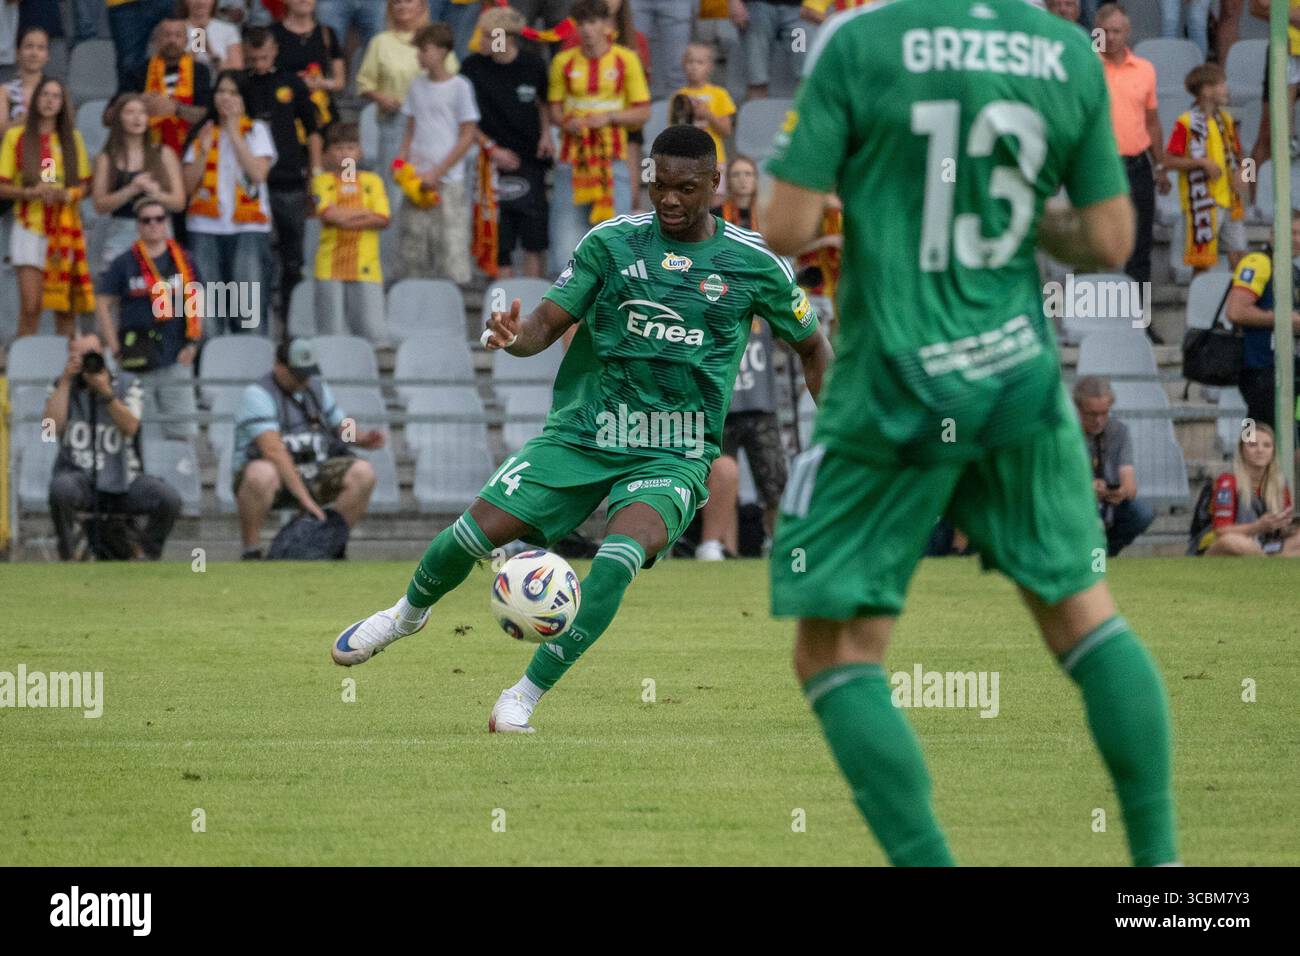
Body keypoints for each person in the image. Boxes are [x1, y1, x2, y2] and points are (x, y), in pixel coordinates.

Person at [761, 0, 1176, 866]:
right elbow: (1108, 237)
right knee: (1083, 616)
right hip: (1018, 378)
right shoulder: (1063, 50)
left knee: (836, 652)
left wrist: (863, 197)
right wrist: (1019, 218)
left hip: (897, 387)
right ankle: (1162, 879)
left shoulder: (859, 40)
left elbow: (784, 232)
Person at [329, 125, 834, 737]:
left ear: (714, 185)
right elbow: (543, 323)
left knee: (617, 561)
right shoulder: (612, 244)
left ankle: (522, 696)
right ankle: (407, 614)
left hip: (674, 451)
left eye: (685, 188)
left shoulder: (753, 263)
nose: (669, 199)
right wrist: (514, 341)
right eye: (659, 184)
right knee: (470, 535)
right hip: (583, 433)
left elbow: (812, 346)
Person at [233, 338, 385, 560]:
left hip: (313, 468)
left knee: (363, 472)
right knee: (261, 474)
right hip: (275, 476)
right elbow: (273, 451)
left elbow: (340, 423)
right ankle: (252, 551)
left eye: (307, 372)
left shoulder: (316, 388)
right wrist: (306, 501)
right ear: (279, 366)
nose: (303, 379)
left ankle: (328, 544)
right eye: (297, 373)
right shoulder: (257, 395)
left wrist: (362, 438)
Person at [45, 331, 181, 561]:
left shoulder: (127, 383)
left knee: (168, 499)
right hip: (80, 476)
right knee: (60, 489)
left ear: (104, 353)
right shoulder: (61, 386)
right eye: (79, 355)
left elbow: (131, 427)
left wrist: (106, 392)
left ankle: (144, 555)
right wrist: (66, 382)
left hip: (124, 479)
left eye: (93, 354)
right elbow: (49, 431)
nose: (87, 361)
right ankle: (69, 557)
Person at [547, 0, 650, 275]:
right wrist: (567, 122)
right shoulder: (562, 61)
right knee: (564, 249)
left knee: (617, 248)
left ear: (606, 25)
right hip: (572, 162)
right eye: (582, 24)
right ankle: (569, 315)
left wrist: (609, 118)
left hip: (612, 161)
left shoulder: (626, 59)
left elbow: (643, 112)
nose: (588, 30)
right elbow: (555, 110)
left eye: (593, 23)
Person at [94, 197, 204, 442]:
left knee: (181, 433)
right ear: (138, 226)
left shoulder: (184, 259)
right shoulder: (124, 262)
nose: (153, 225)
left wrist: (193, 343)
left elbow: (196, 296)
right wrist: (113, 346)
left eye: (159, 219)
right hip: (135, 360)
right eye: (146, 220)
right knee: (135, 434)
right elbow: (103, 302)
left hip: (175, 357)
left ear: (166, 223)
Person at [460, 3, 552, 278]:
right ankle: (502, 310)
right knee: (499, 240)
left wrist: (547, 133)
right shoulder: (472, 67)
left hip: (530, 159)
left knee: (533, 240)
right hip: (490, 162)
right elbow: (465, 119)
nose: (482, 41)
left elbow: (543, 103)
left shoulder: (533, 64)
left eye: (488, 35)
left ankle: (534, 304)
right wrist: (492, 149)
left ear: (507, 38)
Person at [182, 70, 277, 336]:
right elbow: (187, 187)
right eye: (221, 92)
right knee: (207, 311)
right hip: (205, 227)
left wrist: (234, 131)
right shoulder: (203, 131)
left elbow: (258, 174)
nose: (225, 98)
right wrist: (202, 149)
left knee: (248, 313)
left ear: (245, 98)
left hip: (248, 229)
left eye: (233, 93)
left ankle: (252, 370)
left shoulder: (257, 130)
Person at [0, 78, 95, 338]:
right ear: (35, 100)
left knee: (65, 309)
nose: (50, 100)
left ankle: (67, 371)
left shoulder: (72, 138)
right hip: (29, 227)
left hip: (66, 228)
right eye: (45, 94)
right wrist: (28, 193)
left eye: (56, 96)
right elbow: (2, 185)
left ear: (63, 103)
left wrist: (68, 194)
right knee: (31, 307)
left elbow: (87, 185)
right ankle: (25, 371)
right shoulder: (15, 136)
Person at [240, 26, 322, 324]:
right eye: (254, 57)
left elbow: (313, 131)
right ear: (246, 53)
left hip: (290, 181)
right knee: (255, 258)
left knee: (293, 258)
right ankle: (257, 320)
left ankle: (291, 320)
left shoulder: (292, 84)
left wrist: (315, 174)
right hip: (250, 184)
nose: (259, 63)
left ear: (275, 50)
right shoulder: (239, 85)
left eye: (264, 56)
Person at [696, 317, 789, 560]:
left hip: (762, 405)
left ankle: (778, 545)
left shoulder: (768, 303)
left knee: (775, 482)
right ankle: (726, 550)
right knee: (723, 480)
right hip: (721, 407)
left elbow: (795, 338)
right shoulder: (712, 300)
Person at [1098, 3, 1171, 307]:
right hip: (1101, 167)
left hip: (1138, 164)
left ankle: (1138, 319)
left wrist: (1162, 165)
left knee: (1140, 248)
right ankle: (1096, 318)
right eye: (1106, 32)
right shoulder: (1088, 66)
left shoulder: (1145, 69)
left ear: (1128, 33)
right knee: (1097, 245)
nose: (1112, 37)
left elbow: (1152, 122)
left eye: (1117, 31)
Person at [395, 21, 479, 283]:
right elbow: (410, 128)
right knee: (413, 249)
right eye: (419, 50)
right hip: (416, 181)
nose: (420, 55)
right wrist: (402, 160)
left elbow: (467, 135)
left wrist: (439, 171)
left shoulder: (460, 86)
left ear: (443, 51)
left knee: (451, 248)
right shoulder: (416, 86)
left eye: (425, 49)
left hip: (447, 181)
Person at [356, 0, 459, 199]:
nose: (401, 6)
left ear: (422, 6)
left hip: (431, 123)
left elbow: (452, 76)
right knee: (394, 184)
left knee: (428, 183)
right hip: (394, 123)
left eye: (408, 1)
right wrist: (381, 98)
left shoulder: (437, 40)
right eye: (396, 3)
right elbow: (364, 83)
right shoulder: (381, 41)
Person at [1164, 64, 1249, 277]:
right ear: (1205, 90)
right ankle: (1201, 305)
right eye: (1221, 84)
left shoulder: (1226, 120)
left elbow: (1243, 156)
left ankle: (1232, 304)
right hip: (1202, 202)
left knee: (1239, 258)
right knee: (1202, 264)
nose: (1226, 89)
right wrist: (1202, 163)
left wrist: (1246, 174)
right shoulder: (1186, 122)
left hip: (1230, 200)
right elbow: (1169, 160)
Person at [311, 121, 392, 339]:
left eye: (350, 147)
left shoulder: (372, 181)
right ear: (327, 154)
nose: (344, 153)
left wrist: (343, 217)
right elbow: (327, 214)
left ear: (360, 152)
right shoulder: (322, 181)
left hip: (366, 264)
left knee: (372, 331)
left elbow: (383, 218)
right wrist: (365, 212)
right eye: (338, 148)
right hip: (329, 266)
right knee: (331, 332)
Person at [92, 94, 189, 270]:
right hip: (121, 234)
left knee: (160, 293)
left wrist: (156, 193)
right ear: (119, 118)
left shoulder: (164, 153)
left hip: (158, 231)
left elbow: (179, 202)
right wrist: (130, 190)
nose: (137, 118)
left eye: (142, 112)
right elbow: (99, 204)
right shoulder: (106, 158)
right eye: (130, 112)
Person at [1225, 209, 1300, 433]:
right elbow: (1236, 311)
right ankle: (1244, 467)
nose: (1296, 239)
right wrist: (1285, 319)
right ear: (1273, 235)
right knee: (1258, 437)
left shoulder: (1292, 271)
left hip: (1290, 371)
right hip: (1261, 371)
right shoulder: (1258, 262)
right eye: (1292, 232)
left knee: (1290, 439)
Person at [1073, 376, 1156, 557]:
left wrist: (1121, 491)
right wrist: (1084, 488)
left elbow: (1130, 484)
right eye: (1092, 414)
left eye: (1104, 413)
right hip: (1072, 502)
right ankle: (1089, 560)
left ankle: (1105, 555)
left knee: (1142, 514)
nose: (1099, 420)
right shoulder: (1065, 434)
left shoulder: (1119, 431)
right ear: (1078, 410)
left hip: (1107, 501)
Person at [1191, 422, 1300, 555]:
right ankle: (1270, 564)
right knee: (1232, 541)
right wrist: (1258, 527)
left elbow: (1284, 529)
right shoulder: (1227, 481)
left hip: (1264, 545)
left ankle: (1268, 561)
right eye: (1252, 445)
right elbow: (1221, 530)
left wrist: (1287, 526)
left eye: (1267, 445)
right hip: (1218, 545)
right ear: (1241, 449)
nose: (1260, 450)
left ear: (1273, 452)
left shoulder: (1280, 483)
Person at [113, 17, 214, 159]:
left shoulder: (200, 71)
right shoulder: (137, 70)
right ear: (155, 41)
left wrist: (176, 109)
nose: (172, 40)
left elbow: (208, 116)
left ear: (186, 41)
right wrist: (137, 102)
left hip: (189, 150)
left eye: (178, 35)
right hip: (144, 151)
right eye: (166, 35)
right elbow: (108, 117)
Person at [272, 0, 346, 131]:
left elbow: (340, 82)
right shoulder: (272, 34)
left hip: (321, 111)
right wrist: (295, 82)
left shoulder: (327, 33)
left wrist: (322, 83)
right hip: (286, 110)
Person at [674, 42, 735, 182]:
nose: (694, 66)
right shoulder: (679, 96)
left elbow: (726, 131)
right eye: (690, 62)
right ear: (683, 65)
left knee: (716, 200)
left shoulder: (720, 94)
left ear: (710, 67)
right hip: (686, 162)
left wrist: (708, 115)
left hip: (715, 159)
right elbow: (674, 133)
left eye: (700, 62)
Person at [736, 0, 806, 101]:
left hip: (797, 13)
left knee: (804, 73)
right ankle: (757, 114)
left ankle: (802, 115)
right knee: (757, 77)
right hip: (757, 8)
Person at [108, 0, 179, 92]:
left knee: (184, 51)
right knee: (129, 64)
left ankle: (189, 101)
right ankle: (131, 104)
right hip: (125, 4)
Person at [0, 25, 47, 133]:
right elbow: (1, 132)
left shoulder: (55, 90)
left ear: (47, 55)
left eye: (41, 48)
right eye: (29, 46)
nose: (34, 53)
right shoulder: (5, 91)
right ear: (17, 53)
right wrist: (29, 117)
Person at [178, 0, 246, 74]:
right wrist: (197, 45)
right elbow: (172, 68)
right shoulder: (174, 29)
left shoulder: (228, 29)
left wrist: (210, 53)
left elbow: (237, 69)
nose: (200, 2)